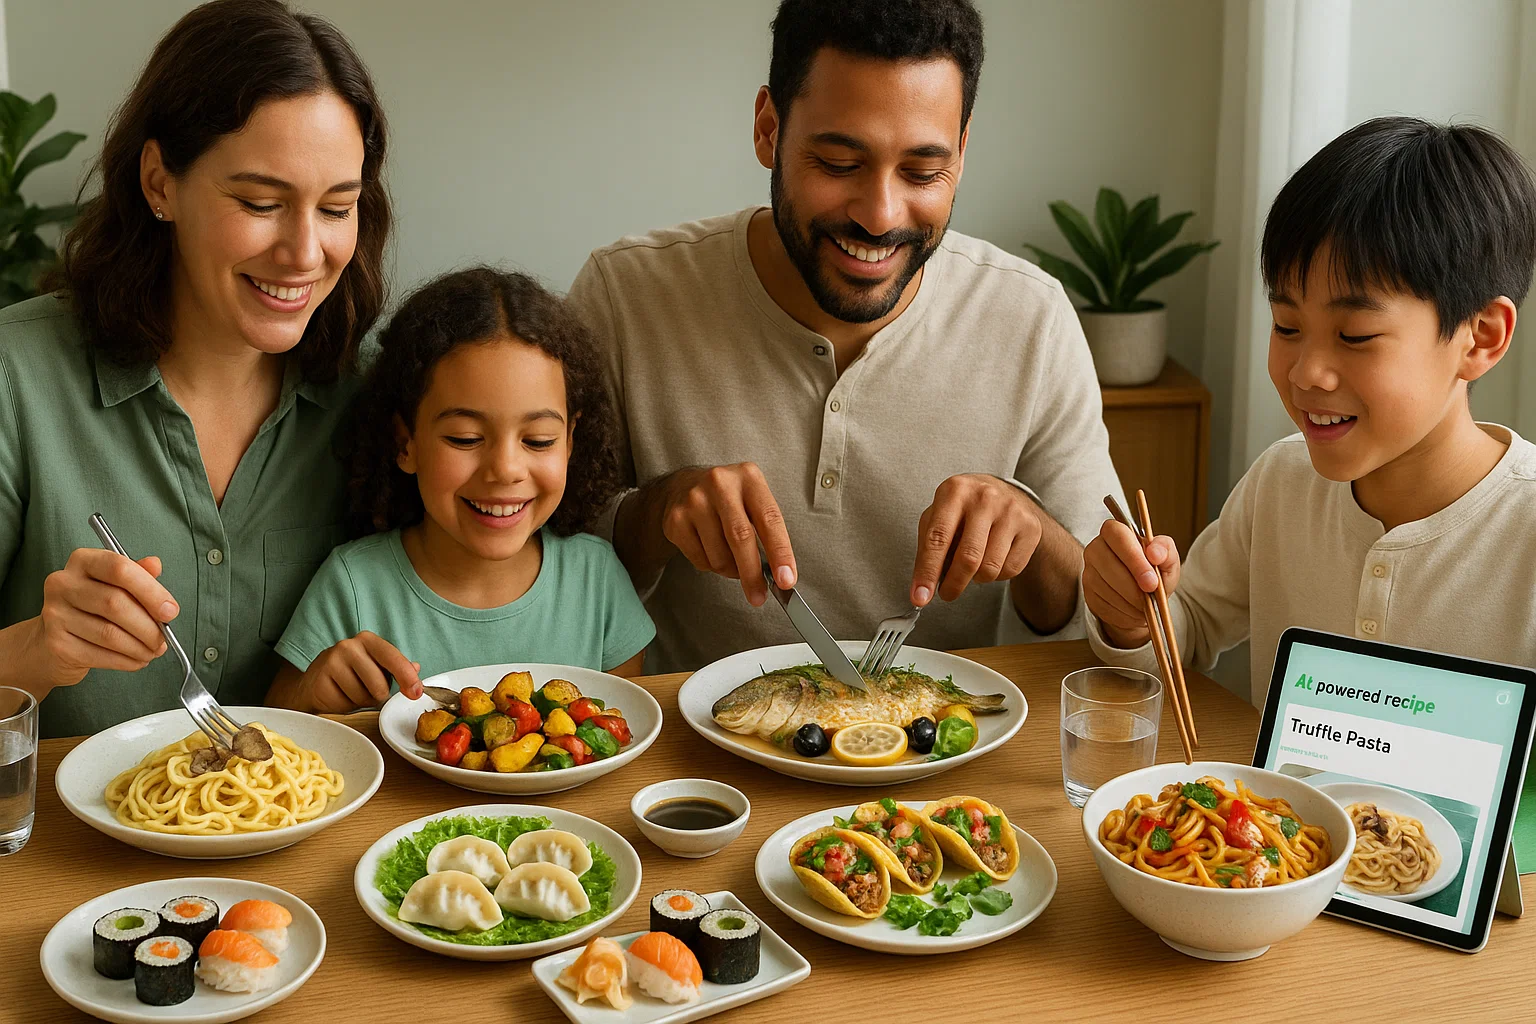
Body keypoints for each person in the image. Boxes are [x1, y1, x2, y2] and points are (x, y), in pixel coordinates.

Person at [568, 0, 1123, 673]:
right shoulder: (626, 296)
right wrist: (656, 513)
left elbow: (1098, 619)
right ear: (769, 129)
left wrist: (1030, 533)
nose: (880, 215)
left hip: (951, 765)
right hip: (692, 763)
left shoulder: (1031, 319)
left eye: (922, 172)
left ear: (963, 151)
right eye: (838, 162)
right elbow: (540, 565)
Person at [0, 0, 391, 737]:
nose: (305, 253)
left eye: (338, 208)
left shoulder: (372, 396)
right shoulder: (16, 377)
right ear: (159, 183)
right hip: (57, 850)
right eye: (260, 202)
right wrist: (36, 648)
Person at [1083, 117, 1536, 706]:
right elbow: (1186, 631)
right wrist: (1134, 616)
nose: (1305, 373)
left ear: (1479, 338)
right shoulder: (1281, 484)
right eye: (1287, 326)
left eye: (1355, 335)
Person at [267, 268, 654, 714]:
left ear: (570, 441)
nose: (506, 470)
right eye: (466, 439)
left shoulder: (596, 578)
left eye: (539, 440)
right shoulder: (353, 585)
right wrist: (310, 697)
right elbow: (277, 724)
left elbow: (624, 733)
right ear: (405, 443)